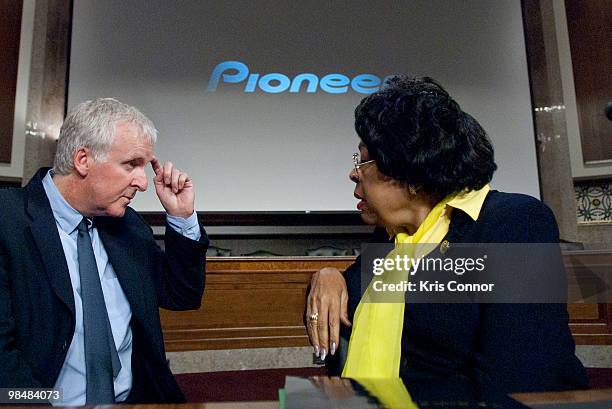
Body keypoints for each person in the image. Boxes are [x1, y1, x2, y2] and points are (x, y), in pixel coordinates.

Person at [306, 76, 588, 393]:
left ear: (407, 165)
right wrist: (328, 274)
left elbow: (521, 378)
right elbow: (347, 298)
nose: (353, 171)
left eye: (365, 158)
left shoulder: (513, 222)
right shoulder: (392, 238)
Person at [0, 98, 209, 405]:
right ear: (83, 160)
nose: (143, 183)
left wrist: (181, 217)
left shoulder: (128, 227)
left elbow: (182, 295)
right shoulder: (8, 221)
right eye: (131, 164)